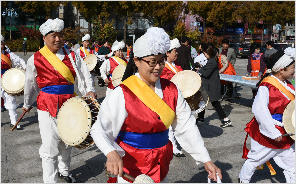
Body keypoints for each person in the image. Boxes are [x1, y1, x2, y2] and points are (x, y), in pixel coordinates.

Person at [90, 27, 222, 183]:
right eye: (152, 62)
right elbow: (99, 128)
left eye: (161, 61)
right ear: (137, 61)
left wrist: (205, 159)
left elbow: (186, 126)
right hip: (131, 169)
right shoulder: (123, 92)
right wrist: (110, 152)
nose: (158, 67)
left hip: (160, 165)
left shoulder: (172, 89)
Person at [22, 18, 96, 183]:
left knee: (67, 140)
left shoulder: (71, 55)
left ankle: (64, 171)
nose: (57, 39)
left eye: (60, 35)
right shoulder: (35, 58)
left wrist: (89, 90)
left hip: (70, 103)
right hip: (46, 105)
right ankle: (50, 180)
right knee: (49, 145)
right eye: (53, 36)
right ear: (44, 38)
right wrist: (27, 104)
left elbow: (84, 74)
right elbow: (30, 84)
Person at [239, 48, 295, 183]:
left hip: (285, 131)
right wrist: (272, 131)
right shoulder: (267, 86)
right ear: (281, 70)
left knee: (292, 164)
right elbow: (259, 110)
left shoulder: (287, 84)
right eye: (293, 67)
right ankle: (243, 180)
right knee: (254, 160)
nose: (294, 70)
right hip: (270, 133)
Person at [197, 43, 233, 128]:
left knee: (214, 103)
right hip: (210, 86)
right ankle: (201, 118)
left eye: (205, 54)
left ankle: (225, 119)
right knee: (203, 102)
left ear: (208, 53)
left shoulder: (212, 61)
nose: (204, 55)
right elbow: (206, 69)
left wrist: (200, 69)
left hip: (211, 87)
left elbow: (206, 73)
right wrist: (201, 67)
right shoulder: (212, 60)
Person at [160, 38, 184, 157]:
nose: (177, 53)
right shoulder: (162, 67)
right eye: (175, 51)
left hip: (178, 97)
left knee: (178, 122)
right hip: (166, 98)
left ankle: (176, 144)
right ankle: (174, 147)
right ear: (167, 53)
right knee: (169, 124)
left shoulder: (177, 65)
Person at [1, 35, 27, 129]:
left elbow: (19, 60)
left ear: (3, 44)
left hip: (8, 80)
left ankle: (14, 122)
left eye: (1, 44)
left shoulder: (8, 54)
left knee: (11, 102)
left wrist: (25, 67)